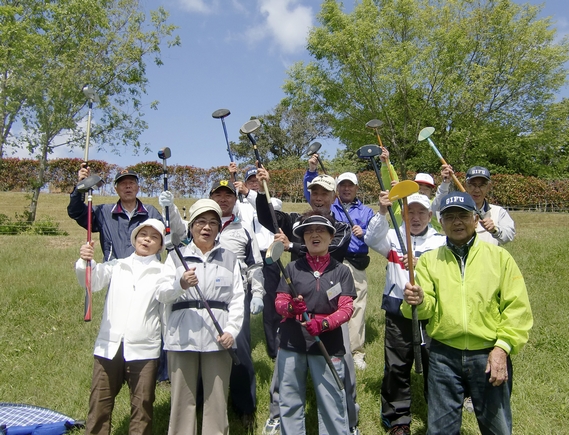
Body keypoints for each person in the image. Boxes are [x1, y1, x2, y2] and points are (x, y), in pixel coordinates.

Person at [402, 192, 533, 435]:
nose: (457, 222)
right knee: (440, 430)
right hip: (443, 356)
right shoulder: (430, 261)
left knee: (498, 428)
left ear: (475, 219)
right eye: (449, 217)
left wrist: (502, 348)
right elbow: (426, 307)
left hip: (488, 354)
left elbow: (518, 308)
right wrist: (418, 301)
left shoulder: (500, 258)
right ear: (440, 223)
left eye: (463, 215)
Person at [256, 167, 361, 435]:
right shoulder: (295, 221)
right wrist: (261, 190)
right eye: (314, 191)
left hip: (329, 324)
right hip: (296, 324)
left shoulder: (341, 226)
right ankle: (278, 417)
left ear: (333, 195)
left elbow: (335, 249)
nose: (318, 196)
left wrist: (290, 245)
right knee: (287, 382)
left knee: (342, 373)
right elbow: (269, 217)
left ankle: (349, 418)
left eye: (324, 192)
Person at [75, 219, 174, 435]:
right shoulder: (117, 266)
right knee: (99, 406)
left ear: (160, 246)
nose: (147, 239)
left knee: (142, 409)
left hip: (144, 350)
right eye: (143, 234)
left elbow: (168, 297)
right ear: (134, 239)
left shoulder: (163, 272)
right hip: (108, 348)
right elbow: (91, 281)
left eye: (154, 237)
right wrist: (86, 262)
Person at [159, 199, 245, 435]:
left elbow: (237, 299)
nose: (206, 227)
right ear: (191, 227)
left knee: (216, 401)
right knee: (181, 401)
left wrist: (232, 331)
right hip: (182, 336)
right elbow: (162, 294)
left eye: (212, 223)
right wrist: (181, 284)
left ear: (219, 228)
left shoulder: (229, 258)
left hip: (219, 338)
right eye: (201, 222)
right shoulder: (176, 257)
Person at [364, 192, 445, 435]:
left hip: (431, 312)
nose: (416, 217)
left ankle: (440, 415)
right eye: (411, 212)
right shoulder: (392, 236)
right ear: (404, 215)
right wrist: (381, 211)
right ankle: (397, 420)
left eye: (421, 212)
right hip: (398, 310)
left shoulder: (441, 241)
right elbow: (370, 238)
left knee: (436, 365)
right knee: (397, 365)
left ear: (430, 215)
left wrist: (423, 265)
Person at [275, 211, 356, 435]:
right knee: (290, 400)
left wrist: (324, 324)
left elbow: (347, 308)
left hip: (328, 343)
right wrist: (291, 308)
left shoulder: (342, 271)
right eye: (308, 231)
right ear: (303, 238)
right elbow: (279, 301)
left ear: (331, 237)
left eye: (320, 230)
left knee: (332, 400)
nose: (314, 235)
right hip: (292, 341)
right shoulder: (292, 268)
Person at [303, 156, 374, 370]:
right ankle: (330, 345)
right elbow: (312, 194)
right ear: (337, 189)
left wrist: (363, 234)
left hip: (355, 262)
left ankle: (356, 351)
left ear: (356, 188)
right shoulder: (331, 206)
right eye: (341, 185)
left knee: (356, 306)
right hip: (333, 262)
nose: (345, 189)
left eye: (349, 185)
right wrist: (311, 171)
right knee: (330, 304)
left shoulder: (366, 211)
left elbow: (375, 237)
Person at [209, 179, 265, 429]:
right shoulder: (200, 225)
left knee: (239, 351)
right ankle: (207, 404)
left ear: (234, 199)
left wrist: (259, 293)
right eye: (218, 195)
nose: (223, 199)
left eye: (228, 195)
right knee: (206, 351)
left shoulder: (244, 229)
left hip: (236, 296)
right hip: (206, 297)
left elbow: (255, 264)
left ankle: (245, 406)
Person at [67, 164, 185, 260]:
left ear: (138, 188)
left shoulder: (151, 212)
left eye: (131, 183)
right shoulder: (104, 212)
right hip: (114, 275)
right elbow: (76, 212)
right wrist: (80, 188)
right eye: (123, 183)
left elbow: (169, 235)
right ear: (116, 189)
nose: (128, 186)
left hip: (148, 275)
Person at [230, 163, 283, 361]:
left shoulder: (273, 201)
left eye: (257, 181)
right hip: (246, 258)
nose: (253, 184)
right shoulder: (240, 205)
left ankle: (274, 348)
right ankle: (241, 346)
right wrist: (232, 180)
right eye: (250, 181)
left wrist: (253, 192)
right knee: (240, 301)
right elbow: (228, 206)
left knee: (271, 303)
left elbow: (267, 208)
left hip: (269, 255)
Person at [434, 165, 515, 245]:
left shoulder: (498, 212)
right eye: (472, 184)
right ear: (465, 185)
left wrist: (494, 230)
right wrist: (445, 183)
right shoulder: (453, 210)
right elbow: (435, 212)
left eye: (482, 185)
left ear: (489, 187)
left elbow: (509, 236)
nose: (476, 190)